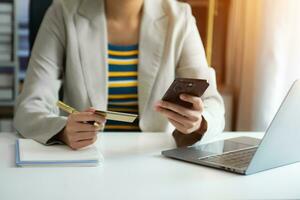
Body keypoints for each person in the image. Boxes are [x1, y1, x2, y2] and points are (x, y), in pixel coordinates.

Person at [14, 0, 225, 150]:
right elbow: (29, 107)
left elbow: (212, 104)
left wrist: (198, 123)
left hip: (155, 159)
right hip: (86, 160)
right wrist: (62, 131)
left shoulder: (180, 17)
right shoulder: (62, 12)